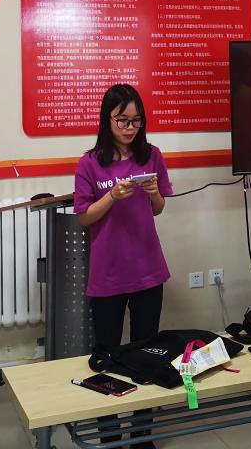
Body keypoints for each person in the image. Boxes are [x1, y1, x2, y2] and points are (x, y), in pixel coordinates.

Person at [74, 83, 173, 350]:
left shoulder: (151, 155)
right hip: (108, 272)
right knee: (107, 352)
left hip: (148, 268)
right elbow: (84, 217)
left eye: (136, 121)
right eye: (122, 121)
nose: (130, 128)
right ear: (107, 120)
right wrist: (112, 196)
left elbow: (158, 208)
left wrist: (154, 193)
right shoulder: (89, 163)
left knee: (146, 349)